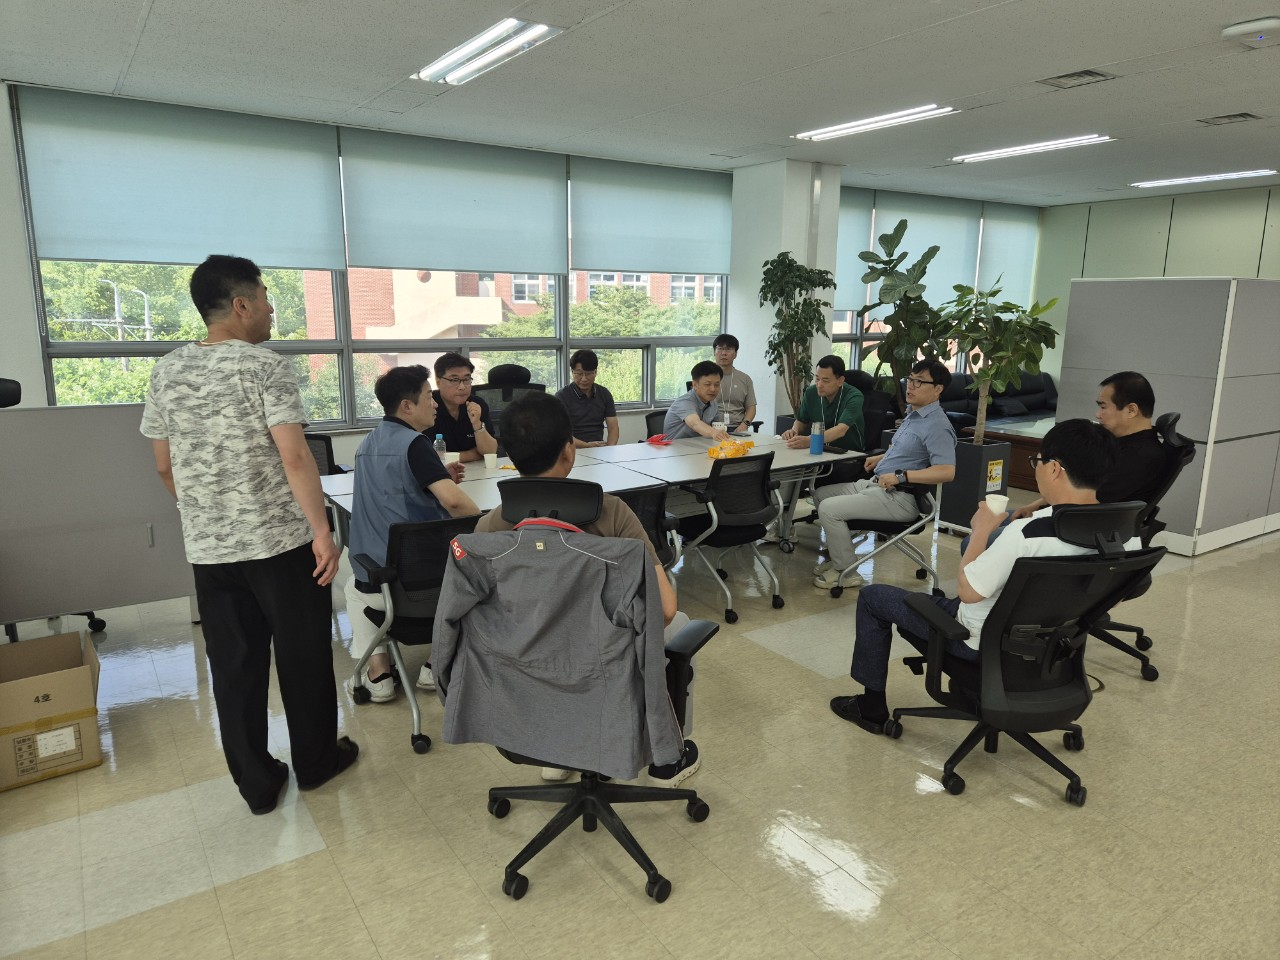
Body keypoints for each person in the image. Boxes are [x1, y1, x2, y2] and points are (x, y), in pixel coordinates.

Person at [140, 255, 356, 815]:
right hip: (280, 544)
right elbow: (295, 456)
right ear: (241, 305)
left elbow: (163, 465)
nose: (270, 308)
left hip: (210, 551)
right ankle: (316, 764)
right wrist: (322, 531)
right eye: (264, 297)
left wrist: (205, 513)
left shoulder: (166, 371)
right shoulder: (264, 367)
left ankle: (258, 785)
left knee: (234, 668)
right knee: (303, 655)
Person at [830, 419, 1133, 735]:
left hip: (976, 642)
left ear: (1055, 469)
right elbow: (1116, 595)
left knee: (873, 598)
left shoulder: (1027, 534)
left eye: (1038, 461)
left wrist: (981, 530)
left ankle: (870, 708)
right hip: (1053, 647)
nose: (1037, 469)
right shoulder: (1124, 533)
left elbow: (968, 592)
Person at [473, 391, 700, 787]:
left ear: (510, 454)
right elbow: (663, 610)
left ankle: (558, 749)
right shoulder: (611, 514)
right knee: (680, 624)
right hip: (604, 671)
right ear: (569, 450)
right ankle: (668, 759)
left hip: (525, 677)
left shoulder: (488, 528)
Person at [344, 365, 481, 701]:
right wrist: (483, 523)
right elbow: (457, 504)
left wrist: (436, 476)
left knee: (351, 588)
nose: (434, 404)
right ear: (407, 406)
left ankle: (379, 675)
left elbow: (390, 492)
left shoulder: (367, 443)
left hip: (378, 577)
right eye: (428, 397)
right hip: (422, 586)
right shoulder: (415, 444)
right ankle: (435, 664)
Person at [965, 371, 1167, 550]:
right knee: (1000, 520)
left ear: (1131, 410)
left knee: (976, 539)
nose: (1098, 414)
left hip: (1077, 530)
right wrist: (1035, 505)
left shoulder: (1140, 458)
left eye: (1104, 406)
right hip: (1072, 519)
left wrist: (1037, 516)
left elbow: (1087, 500)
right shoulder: (1122, 445)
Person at [812, 359, 957, 590]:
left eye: (919, 382)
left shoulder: (937, 425)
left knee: (829, 509)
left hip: (900, 498)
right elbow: (907, 450)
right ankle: (842, 556)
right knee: (821, 494)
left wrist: (902, 477)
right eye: (910, 379)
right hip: (877, 485)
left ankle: (846, 572)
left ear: (938, 389)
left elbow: (947, 471)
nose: (910, 386)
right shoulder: (914, 414)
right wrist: (881, 458)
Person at [781, 354, 865, 455]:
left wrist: (810, 441)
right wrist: (794, 431)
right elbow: (801, 421)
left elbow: (841, 430)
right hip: (819, 450)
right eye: (817, 379)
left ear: (840, 381)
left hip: (849, 454)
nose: (819, 385)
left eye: (825, 381)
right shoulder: (811, 392)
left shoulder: (854, 396)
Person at [431, 352, 497, 463]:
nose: (462, 387)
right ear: (438, 382)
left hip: (477, 470)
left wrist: (477, 424)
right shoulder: (428, 406)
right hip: (440, 471)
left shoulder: (477, 404)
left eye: (466, 379)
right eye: (454, 380)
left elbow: (489, 452)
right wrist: (474, 454)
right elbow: (427, 456)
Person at [555, 349, 619, 448]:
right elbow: (562, 433)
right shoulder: (562, 396)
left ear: (595, 372)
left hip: (598, 447)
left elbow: (613, 427)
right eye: (579, 374)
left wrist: (609, 449)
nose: (584, 379)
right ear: (572, 372)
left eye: (588, 373)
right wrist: (587, 446)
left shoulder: (604, 394)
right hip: (572, 449)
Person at [663, 360, 731, 441]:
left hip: (699, 444)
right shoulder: (684, 402)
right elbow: (695, 423)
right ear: (695, 385)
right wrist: (714, 433)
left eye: (717, 385)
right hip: (674, 447)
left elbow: (717, 426)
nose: (713, 389)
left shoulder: (713, 402)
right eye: (707, 384)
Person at [711, 334, 757, 433]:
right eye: (720, 349)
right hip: (711, 428)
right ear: (714, 352)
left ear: (735, 354)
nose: (724, 353)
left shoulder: (745, 379)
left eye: (728, 349)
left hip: (738, 428)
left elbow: (751, 407)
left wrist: (745, 425)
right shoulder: (705, 378)